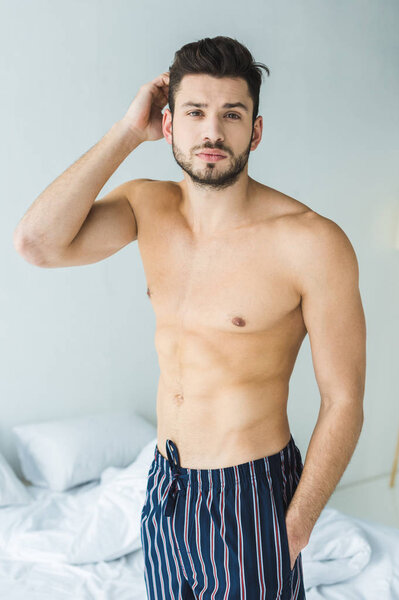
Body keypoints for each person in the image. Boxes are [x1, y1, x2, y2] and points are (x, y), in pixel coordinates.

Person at [14, 36, 366, 600]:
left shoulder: (311, 242)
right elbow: (36, 244)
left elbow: (344, 399)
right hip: (165, 483)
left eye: (231, 115)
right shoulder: (147, 206)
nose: (212, 133)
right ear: (169, 122)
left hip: (250, 489)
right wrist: (128, 131)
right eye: (196, 113)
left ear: (255, 130)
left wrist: (294, 527)